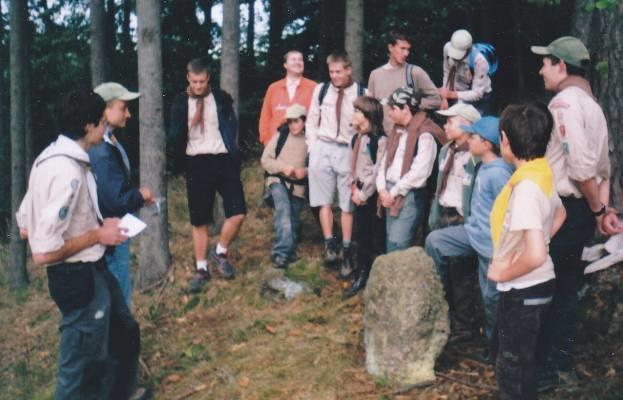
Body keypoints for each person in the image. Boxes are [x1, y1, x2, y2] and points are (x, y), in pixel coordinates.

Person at [16, 89, 142, 399]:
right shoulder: (65, 171)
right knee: (82, 364)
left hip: (94, 269)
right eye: (101, 122)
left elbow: (25, 225)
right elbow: (42, 251)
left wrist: (98, 227)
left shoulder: (50, 159)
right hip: (77, 278)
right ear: (88, 126)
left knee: (124, 334)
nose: (105, 128)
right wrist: (97, 235)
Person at [530, 36, 623, 390]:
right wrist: (599, 210)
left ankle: (541, 371)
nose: (541, 70)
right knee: (566, 291)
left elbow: (582, 167)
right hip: (581, 209)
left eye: (545, 63)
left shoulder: (564, 104)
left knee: (544, 286)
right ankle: (560, 364)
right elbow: (604, 167)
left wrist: (599, 208)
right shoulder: (594, 106)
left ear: (561, 66)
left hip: (564, 211)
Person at [488, 102, 567, 399]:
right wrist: (540, 241)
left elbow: (535, 255)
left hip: (524, 289)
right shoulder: (540, 174)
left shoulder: (525, 190)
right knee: (523, 362)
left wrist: (503, 270)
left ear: (505, 140)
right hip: (538, 286)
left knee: (512, 372)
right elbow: (560, 215)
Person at [425, 116, 512, 356]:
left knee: (492, 298)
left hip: (491, 246)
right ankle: (439, 296)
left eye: (473, 136)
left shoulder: (499, 173)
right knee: (435, 241)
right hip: (472, 232)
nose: (469, 139)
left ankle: (495, 350)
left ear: (487, 144)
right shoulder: (481, 165)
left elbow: (509, 213)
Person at [171, 57, 246, 293]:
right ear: (188, 78)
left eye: (202, 81)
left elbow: (230, 126)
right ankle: (201, 268)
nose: (199, 86)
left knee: (238, 212)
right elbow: (175, 134)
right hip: (196, 163)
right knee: (199, 219)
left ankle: (220, 252)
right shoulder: (180, 102)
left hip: (223, 160)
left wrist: (234, 153)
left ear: (208, 79)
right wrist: (177, 162)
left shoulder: (221, 98)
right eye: (194, 81)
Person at [88, 82, 154, 307]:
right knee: (118, 291)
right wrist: (139, 195)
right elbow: (115, 199)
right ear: (106, 111)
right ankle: (122, 338)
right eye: (123, 107)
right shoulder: (101, 149)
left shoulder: (110, 141)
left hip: (117, 230)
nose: (129, 113)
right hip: (112, 232)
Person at [306, 51, 365, 277]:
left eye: (339, 72)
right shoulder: (321, 91)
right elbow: (311, 120)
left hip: (348, 150)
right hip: (323, 147)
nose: (335, 76)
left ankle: (347, 248)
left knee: (347, 203)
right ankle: (330, 243)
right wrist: (312, 149)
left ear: (348, 70)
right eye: (331, 72)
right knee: (323, 200)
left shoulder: (361, 93)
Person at [376, 86, 444, 252]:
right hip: (389, 193)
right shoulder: (397, 130)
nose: (389, 113)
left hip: (408, 196)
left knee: (397, 244)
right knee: (390, 240)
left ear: (406, 108)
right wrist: (382, 189)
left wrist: (393, 192)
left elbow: (420, 173)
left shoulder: (425, 134)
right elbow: (385, 162)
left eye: (392, 108)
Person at [342, 96, 387, 299]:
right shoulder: (356, 138)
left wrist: (364, 193)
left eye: (357, 111)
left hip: (372, 195)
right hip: (358, 192)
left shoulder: (380, 140)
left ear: (367, 115)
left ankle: (376, 277)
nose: (353, 114)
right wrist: (353, 188)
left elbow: (378, 170)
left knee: (375, 236)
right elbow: (353, 165)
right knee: (361, 236)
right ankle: (361, 273)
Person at [261, 104, 308, 269]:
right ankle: (281, 253)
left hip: (298, 186)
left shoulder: (312, 139)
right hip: (277, 181)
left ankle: (289, 252)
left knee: (293, 219)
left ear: (304, 120)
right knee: (283, 213)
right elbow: (265, 160)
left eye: (296, 121)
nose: (292, 125)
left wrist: (306, 171)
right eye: (289, 122)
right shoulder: (281, 135)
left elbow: (319, 165)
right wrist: (282, 168)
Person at [368, 31, 442, 133]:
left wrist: (412, 103)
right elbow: (370, 107)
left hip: (408, 135)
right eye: (402, 48)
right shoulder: (375, 75)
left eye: (408, 49)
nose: (406, 53)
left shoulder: (415, 72)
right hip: (383, 137)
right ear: (390, 47)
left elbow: (436, 100)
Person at [428, 103, 481, 231]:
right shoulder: (446, 150)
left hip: (462, 217)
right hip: (442, 211)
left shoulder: (476, 156)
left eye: (450, 122)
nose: (445, 126)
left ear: (467, 125)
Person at [258, 50, 317, 145]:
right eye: (293, 60)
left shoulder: (313, 87)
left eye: (300, 60)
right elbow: (265, 117)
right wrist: (265, 140)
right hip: (275, 143)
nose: (297, 62)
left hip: (303, 144)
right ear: (285, 65)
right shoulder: (273, 88)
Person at [438, 29, 493, 114]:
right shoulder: (447, 48)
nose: (455, 57)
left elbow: (477, 94)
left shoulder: (479, 61)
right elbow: (447, 72)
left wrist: (450, 94)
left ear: (468, 49)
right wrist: (444, 98)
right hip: (457, 92)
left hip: (479, 97)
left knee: (474, 124)